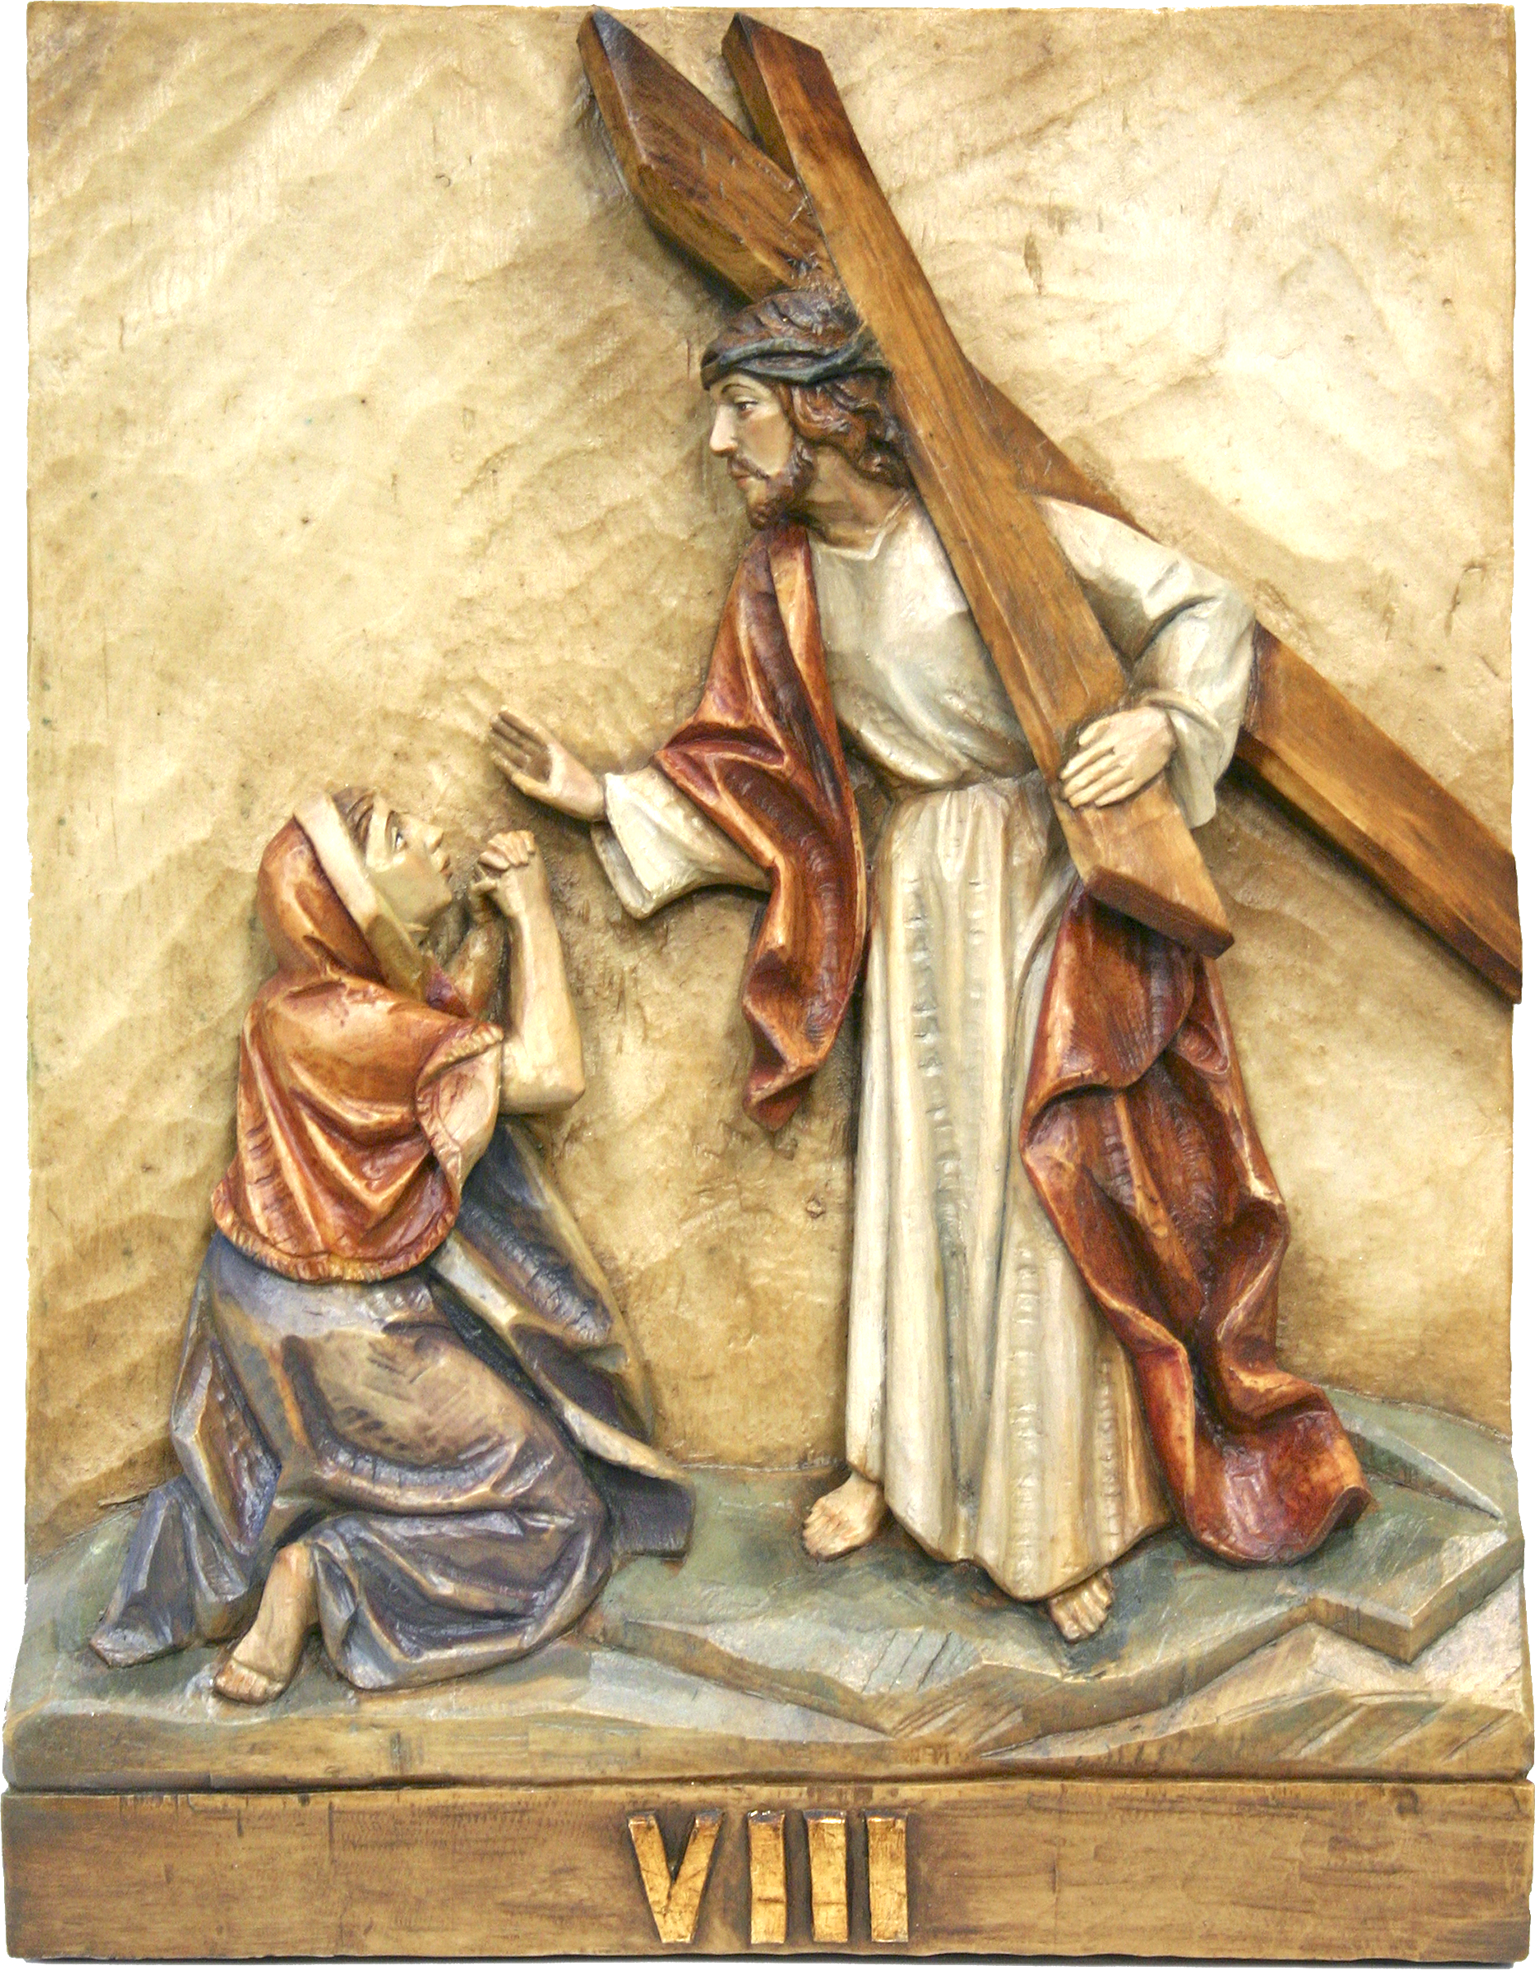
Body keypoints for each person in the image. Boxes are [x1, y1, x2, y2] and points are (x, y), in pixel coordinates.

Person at [490, 282, 1368, 1643]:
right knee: (920, 1184)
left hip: (1043, 883)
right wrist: (608, 798)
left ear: (820, 411)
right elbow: (768, 782)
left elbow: (1200, 608)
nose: (720, 443)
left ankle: (1056, 1513)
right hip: (916, 890)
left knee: (1038, 1183)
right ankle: (901, 1470)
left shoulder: (979, 525)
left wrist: (1158, 724)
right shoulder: (781, 580)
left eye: (739, 409)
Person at [92, 789, 691, 1701]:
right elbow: (547, 1073)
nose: (433, 834)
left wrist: (484, 942)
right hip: (343, 1336)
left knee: (412, 1463)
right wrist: (533, 914)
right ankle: (328, 1575)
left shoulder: (295, 1007)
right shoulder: (350, 1025)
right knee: (562, 1515)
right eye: (399, 836)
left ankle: (297, 1541)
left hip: (258, 1305)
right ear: (351, 903)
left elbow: (434, 1032)